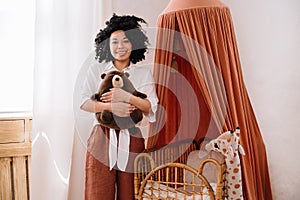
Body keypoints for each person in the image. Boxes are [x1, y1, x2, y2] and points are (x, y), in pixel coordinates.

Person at [80, 14, 158, 200]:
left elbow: (150, 106)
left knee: (132, 192)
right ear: (107, 44)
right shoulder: (96, 70)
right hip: (101, 136)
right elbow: (83, 102)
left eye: (126, 41)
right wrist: (111, 107)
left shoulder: (143, 73)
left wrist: (126, 97)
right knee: (98, 191)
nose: (120, 46)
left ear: (135, 44)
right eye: (114, 42)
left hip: (132, 137)